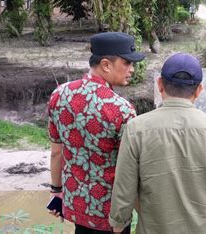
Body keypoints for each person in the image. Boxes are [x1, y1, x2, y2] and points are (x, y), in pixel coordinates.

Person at [109, 53, 206, 233]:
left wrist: (118, 224)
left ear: (160, 84)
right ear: (199, 90)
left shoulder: (136, 129)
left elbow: (124, 185)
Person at [47, 32, 145, 233]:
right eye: (126, 63)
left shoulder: (59, 94)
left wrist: (57, 191)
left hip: (76, 206)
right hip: (110, 213)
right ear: (106, 65)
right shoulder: (122, 109)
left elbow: (57, 152)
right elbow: (130, 168)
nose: (132, 69)